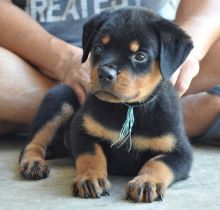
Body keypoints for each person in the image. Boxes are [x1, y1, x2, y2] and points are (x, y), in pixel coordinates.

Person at [0, 0, 219, 143]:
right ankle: (165, 120)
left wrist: (186, 49)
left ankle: (74, 120)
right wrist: (64, 59)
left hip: (155, 68)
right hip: (38, 64)